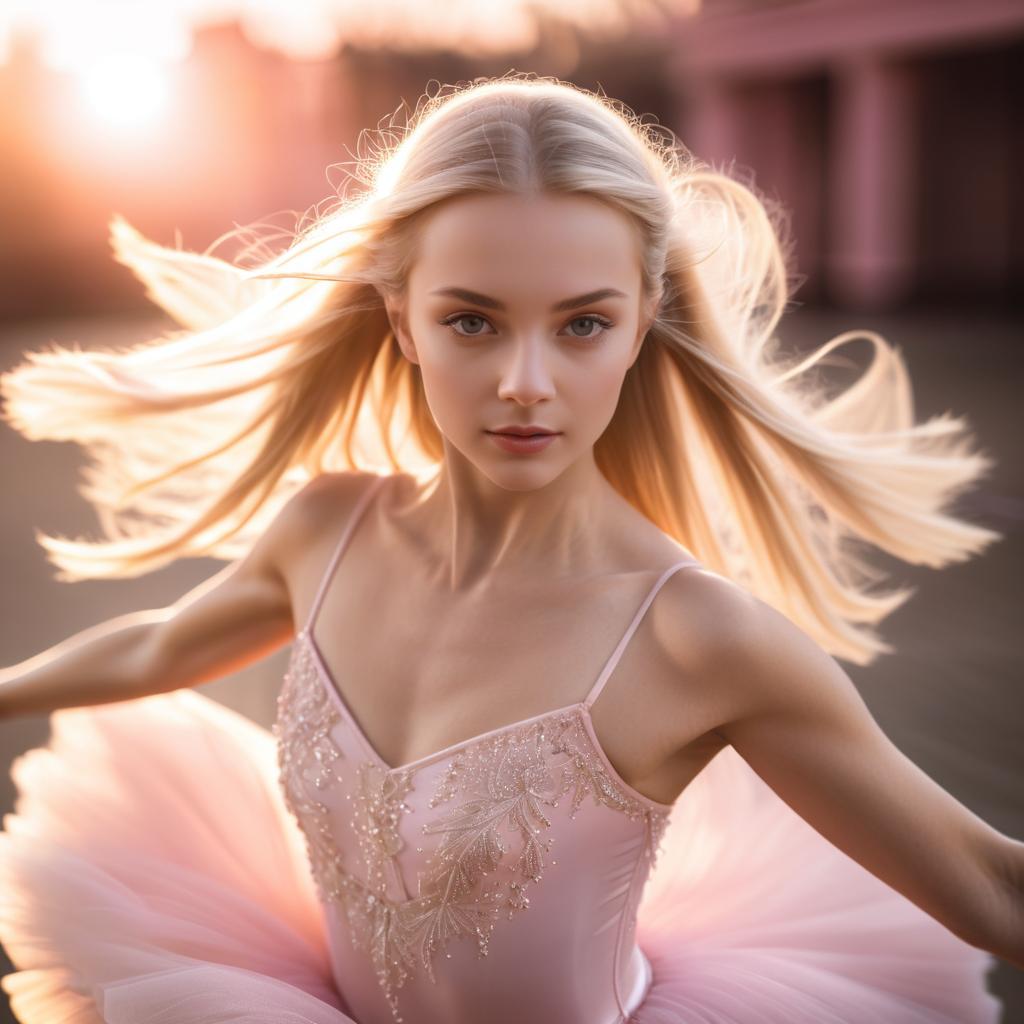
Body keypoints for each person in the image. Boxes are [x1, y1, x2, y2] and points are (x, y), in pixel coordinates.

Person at [0, 73, 1017, 1024]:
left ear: (641, 323)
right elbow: (156, 645)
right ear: (402, 320)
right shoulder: (328, 530)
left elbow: (987, 887)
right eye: (473, 321)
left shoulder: (699, 638)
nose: (525, 382)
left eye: (581, 325)